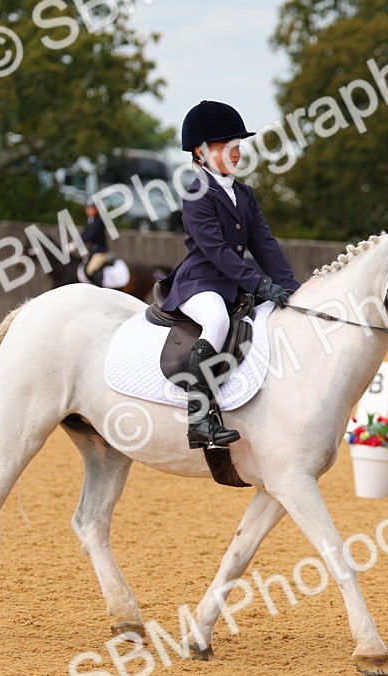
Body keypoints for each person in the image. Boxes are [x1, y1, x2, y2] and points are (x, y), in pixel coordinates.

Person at [161, 100, 301, 449]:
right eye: (227, 147)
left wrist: (290, 287)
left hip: (233, 283)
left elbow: (264, 243)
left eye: (237, 146)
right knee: (217, 322)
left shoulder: (244, 194)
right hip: (200, 282)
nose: (237, 153)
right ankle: (199, 419)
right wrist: (259, 283)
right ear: (201, 152)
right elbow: (218, 252)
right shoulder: (197, 195)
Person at [80, 202, 111, 286]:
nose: (88, 210)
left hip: (100, 253)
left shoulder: (98, 222)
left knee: (91, 270)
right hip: (92, 252)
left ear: (96, 209)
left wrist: (78, 244)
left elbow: (90, 235)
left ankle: (99, 289)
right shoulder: (90, 221)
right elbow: (84, 234)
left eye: (91, 208)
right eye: (87, 208)